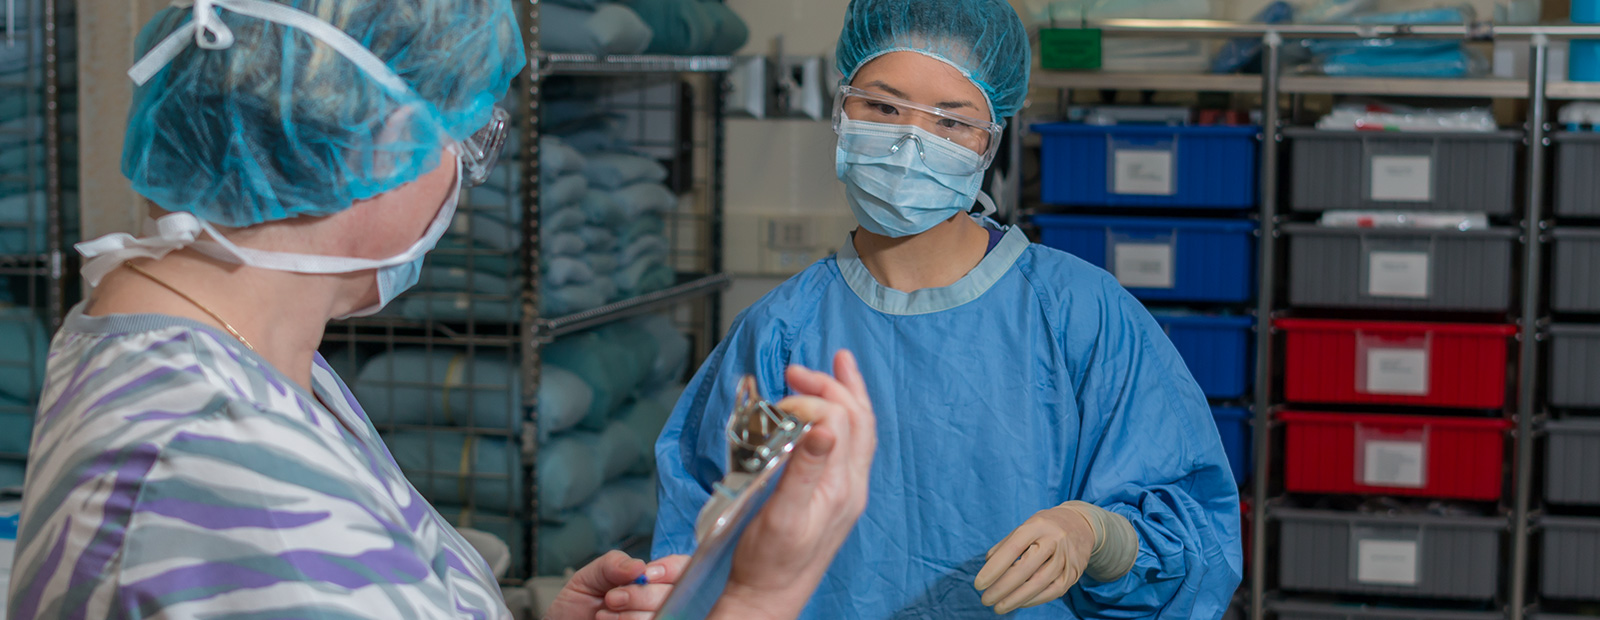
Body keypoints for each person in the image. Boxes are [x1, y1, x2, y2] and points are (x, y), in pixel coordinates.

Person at [5, 1, 877, 619]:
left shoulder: (222, 345)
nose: (463, 171)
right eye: (462, 135)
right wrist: (762, 594)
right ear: (380, 138)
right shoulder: (232, 480)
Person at [652, 0, 1243, 618]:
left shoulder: (1077, 315)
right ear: (840, 107)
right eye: (882, 107)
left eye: (951, 122)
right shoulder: (778, 336)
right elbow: (700, 548)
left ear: (991, 142)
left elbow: (1195, 533)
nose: (910, 143)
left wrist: (1097, 534)